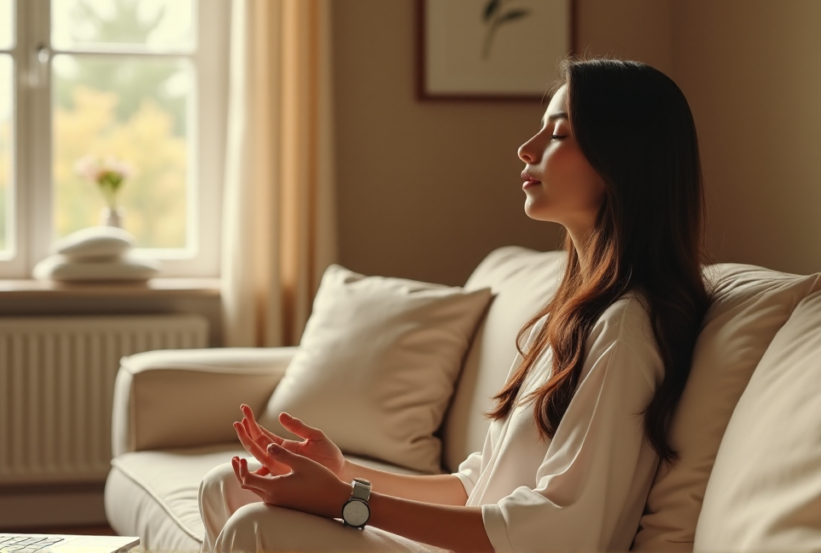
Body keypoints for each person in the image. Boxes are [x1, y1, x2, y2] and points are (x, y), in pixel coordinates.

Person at [198, 58, 712, 553]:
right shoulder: (566, 318)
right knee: (228, 485)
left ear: (623, 159)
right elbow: (476, 485)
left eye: (558, 134)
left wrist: (348, 502)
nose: (526, 149)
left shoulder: (626, 328)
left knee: (256, 529)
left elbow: (560, 533)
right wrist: (343, 473)